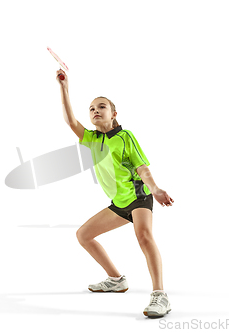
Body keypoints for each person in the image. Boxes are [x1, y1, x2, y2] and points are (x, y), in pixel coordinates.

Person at [56, 69, 174, 317]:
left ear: (114, 114)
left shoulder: (124, 136)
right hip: (119, 202)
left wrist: (156, 189)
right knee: (84, 235)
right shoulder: (91, 139)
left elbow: (142, 168)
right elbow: (70, 121)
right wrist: (64, 88)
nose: (95, 111)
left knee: (143, 237)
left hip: (139, 195)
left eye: (102, 107)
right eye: (91, 109)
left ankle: (160, 296)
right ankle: (116, 279)